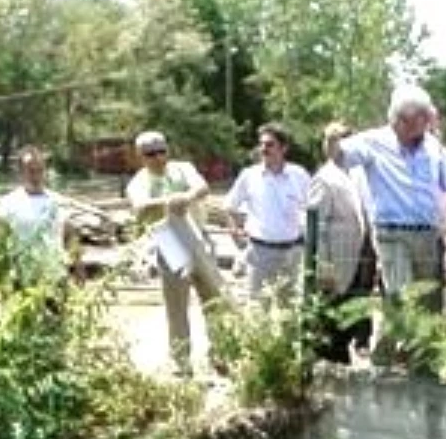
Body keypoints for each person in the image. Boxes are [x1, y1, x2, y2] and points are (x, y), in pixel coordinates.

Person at [334, 84, 446, 313]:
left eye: (424, 118)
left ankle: (416, 348)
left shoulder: (433, 146)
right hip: (391, 233)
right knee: (402, 300)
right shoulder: (373, 141)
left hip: (428, 234)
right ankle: (398, 346)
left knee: (430, 306)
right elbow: (339, 155)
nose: (420, 125)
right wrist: (333, 141)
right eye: (411, 120)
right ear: (398, 119)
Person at [125, 130, 224, 376]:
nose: (158, 158)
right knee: (177, 307)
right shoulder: (139, 181)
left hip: (198, 237)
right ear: (141, 156)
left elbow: (202, 187)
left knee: (214, 298)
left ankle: (222, 353)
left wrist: (186, 197)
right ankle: (182, 363)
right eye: (151, 154)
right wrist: (168, 202)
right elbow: (139, 206)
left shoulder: (183, 168)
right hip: (169, 242)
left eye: (162, 151)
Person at [308, 122, 374, 363]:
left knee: (352, 311)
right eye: (337, 141)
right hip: (336, 260)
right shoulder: (324, 178)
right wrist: (324, 267)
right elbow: (317, 227)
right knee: (330, 318)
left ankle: (343, 357)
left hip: (358, 257)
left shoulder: (357, 175)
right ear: (328, 145)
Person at [226, 122, 311, 304]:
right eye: (262, 144)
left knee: (289, 310)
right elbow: (230, 206)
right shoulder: (249, 175)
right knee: (258, 308)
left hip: (292, 252)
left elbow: (312, 208)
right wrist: (234, 230)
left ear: (284, 148)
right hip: (260, 252)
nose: (264, 149)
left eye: (270, 144)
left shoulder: (299, 175)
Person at [0, 146, 76, 290]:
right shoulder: (8, 204)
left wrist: (78, 266)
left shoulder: (57, 202)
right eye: (31, 171)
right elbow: (1, 241)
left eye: (40, 170)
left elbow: (69, 236)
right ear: (21, 173)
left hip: (54, 277)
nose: (36, 176)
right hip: (23, 278)